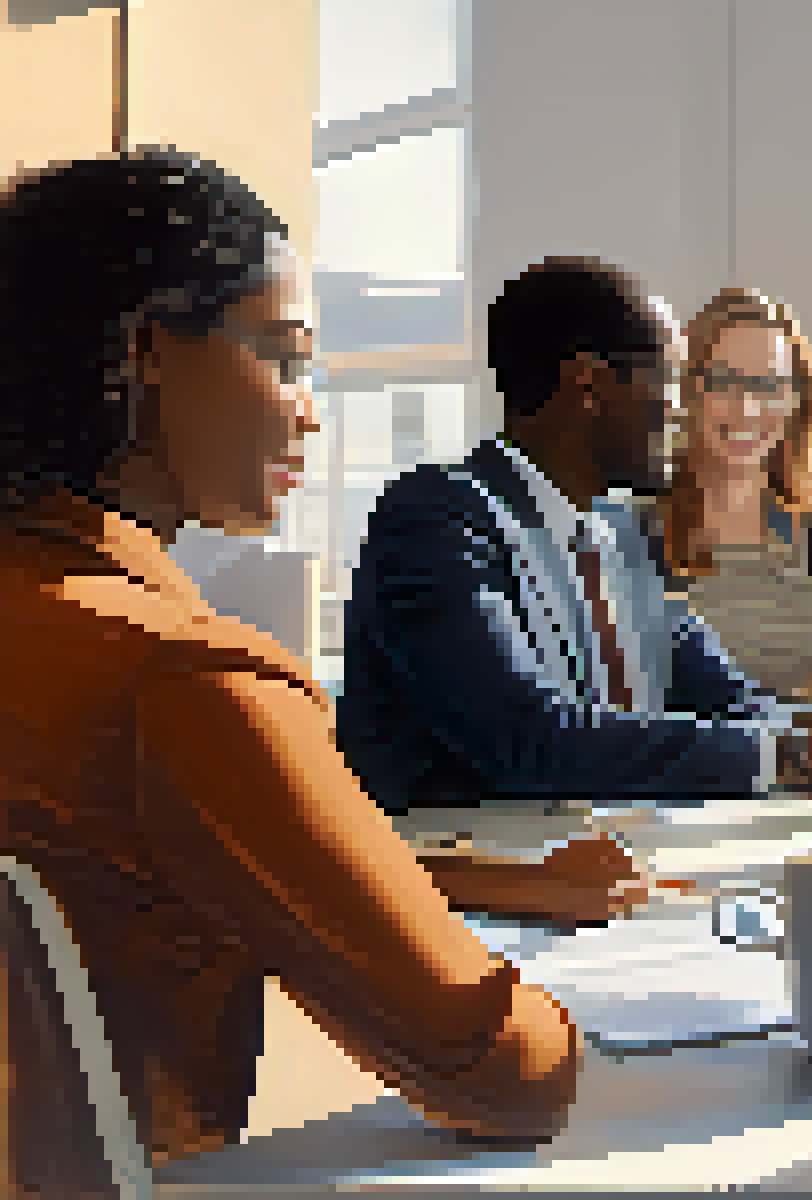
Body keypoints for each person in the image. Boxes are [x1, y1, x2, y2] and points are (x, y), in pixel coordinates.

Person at [0, 149, 579, 1173]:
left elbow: (127, 860)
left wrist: (449, 879)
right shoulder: (184, 680)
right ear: (146, 350)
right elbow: (502, 1072)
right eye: (285, 356)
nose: (310, 411)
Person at [338, 260, 812, 856]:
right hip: (475, 890)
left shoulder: (622, 539)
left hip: (606, 874)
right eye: (668, 381)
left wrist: (810, 737)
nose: (682, 411)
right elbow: (530, 739)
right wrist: (785, 755)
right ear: (590, 386)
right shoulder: (439, 519)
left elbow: (730, 695)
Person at [636, 287, 812, 760]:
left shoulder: (811, 534)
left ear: (793, 400)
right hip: (671, 791)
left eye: (768, 385)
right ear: (687, 388)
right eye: (724, 381)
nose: (746, 408)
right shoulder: (630, 527)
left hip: (783, 795)